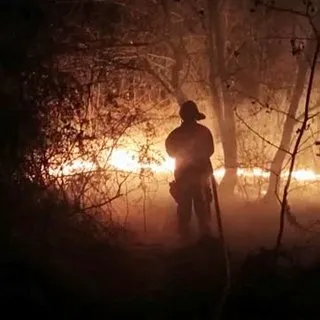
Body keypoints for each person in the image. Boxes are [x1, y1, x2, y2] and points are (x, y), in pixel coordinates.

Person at [165, 100, 214, 241]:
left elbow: (170, 152)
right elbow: (210, 150)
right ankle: (204, 236)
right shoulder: (204, 132)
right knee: (201, 205)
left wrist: (185, 156)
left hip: (184, 174)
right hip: (199, 174)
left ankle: (185, 237)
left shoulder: (175, 134)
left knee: (185, 206)